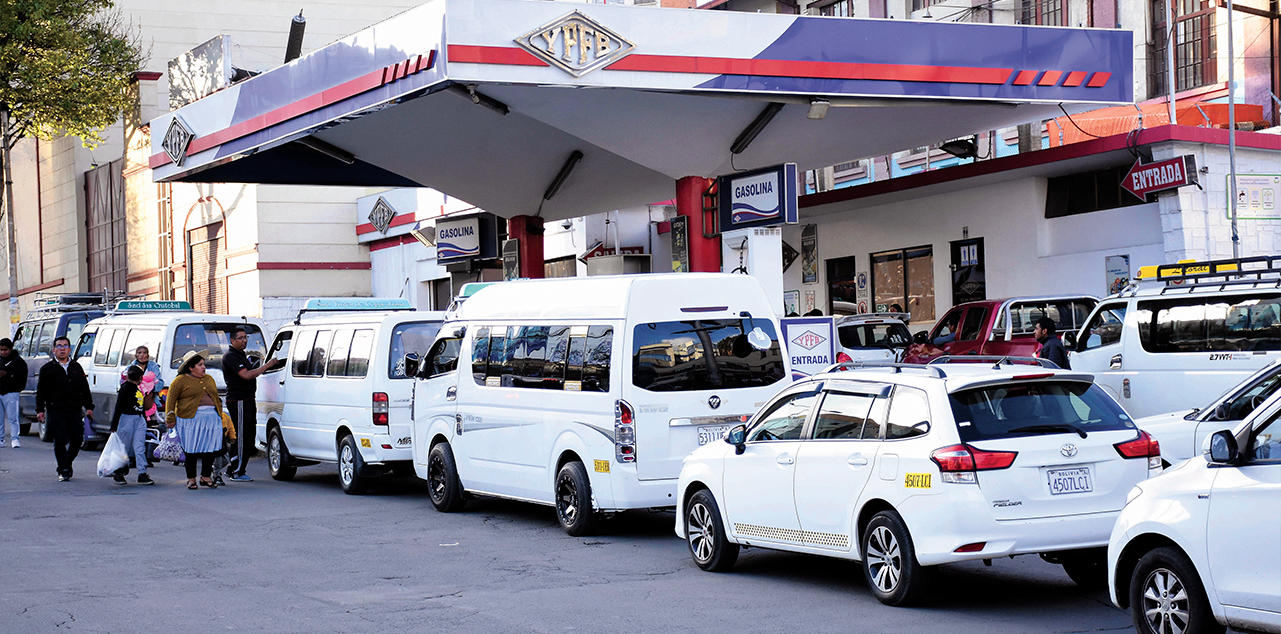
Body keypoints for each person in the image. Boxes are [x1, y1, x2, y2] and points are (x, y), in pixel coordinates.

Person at [222, 327, 279, 482]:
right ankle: (238, 472)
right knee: (241, 436)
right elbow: (246, 375)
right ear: (232, 340)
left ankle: (232, 468)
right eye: (240, 338)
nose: (244, 340)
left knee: (248, 435)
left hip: (248, 398)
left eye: (245, 337)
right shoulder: (231, 356)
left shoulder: (241, 355)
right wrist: (267, 365)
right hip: (238, 400)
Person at [36, 336, 94, 481]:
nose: (62, 348)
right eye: (59, 346)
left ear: (69, 349)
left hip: (74, 409)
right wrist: (40, 410)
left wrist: (89, 407)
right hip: (56, 410)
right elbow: (41, 391)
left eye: (65, 346)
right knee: (60, 440)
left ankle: (67, 462)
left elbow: (84, 388)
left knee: (77, 439)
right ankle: (63, 469)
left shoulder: (76, 367)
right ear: (54, 350)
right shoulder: (47, 369)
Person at [166, 351, 225, 490]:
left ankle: (205, 476)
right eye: (199, 365)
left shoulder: (209, 379)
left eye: (203, 364)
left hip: (211, 419)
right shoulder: (180, 381)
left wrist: (219, 412)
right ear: (191, 368)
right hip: (190, 420)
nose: (203, 367)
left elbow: (216, 397)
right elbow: (171, 399)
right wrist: (170, 417)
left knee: (210, 448)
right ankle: (191, 479)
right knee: (191, 449)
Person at [110, 365, 153, 485]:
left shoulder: (135, 388)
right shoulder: (126, 388)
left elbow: (139, 407)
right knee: (128, 447)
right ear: (140, 377)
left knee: (133, 447)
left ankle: (139, 472)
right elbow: (119, 406)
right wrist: (114, 424)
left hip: (136, 419)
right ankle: (122, 472)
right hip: (127, 419)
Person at [0, 338, 28, 448]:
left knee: (13, 417)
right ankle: (1, 439)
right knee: (0, 418)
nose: (3, 352)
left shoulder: (18, 361)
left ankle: (15, 439)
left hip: (11, 392)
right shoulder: (0, 360)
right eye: (1, 350)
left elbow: (21, 376)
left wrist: (7, 374)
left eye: (5, 350)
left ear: (11, 349)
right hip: (0, 391)